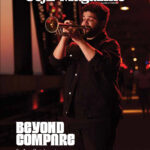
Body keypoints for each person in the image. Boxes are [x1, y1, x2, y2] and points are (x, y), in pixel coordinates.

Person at [49, 2, 122, 150]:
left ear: (102, 23)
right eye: (83, 18)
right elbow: (55, 62)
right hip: (72, 116)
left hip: (98, 118)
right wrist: (64, 38)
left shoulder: (110, 45)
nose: (84, 22)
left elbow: (101, 64)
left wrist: (79, 40)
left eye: (91, 19)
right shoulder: (74, 47)